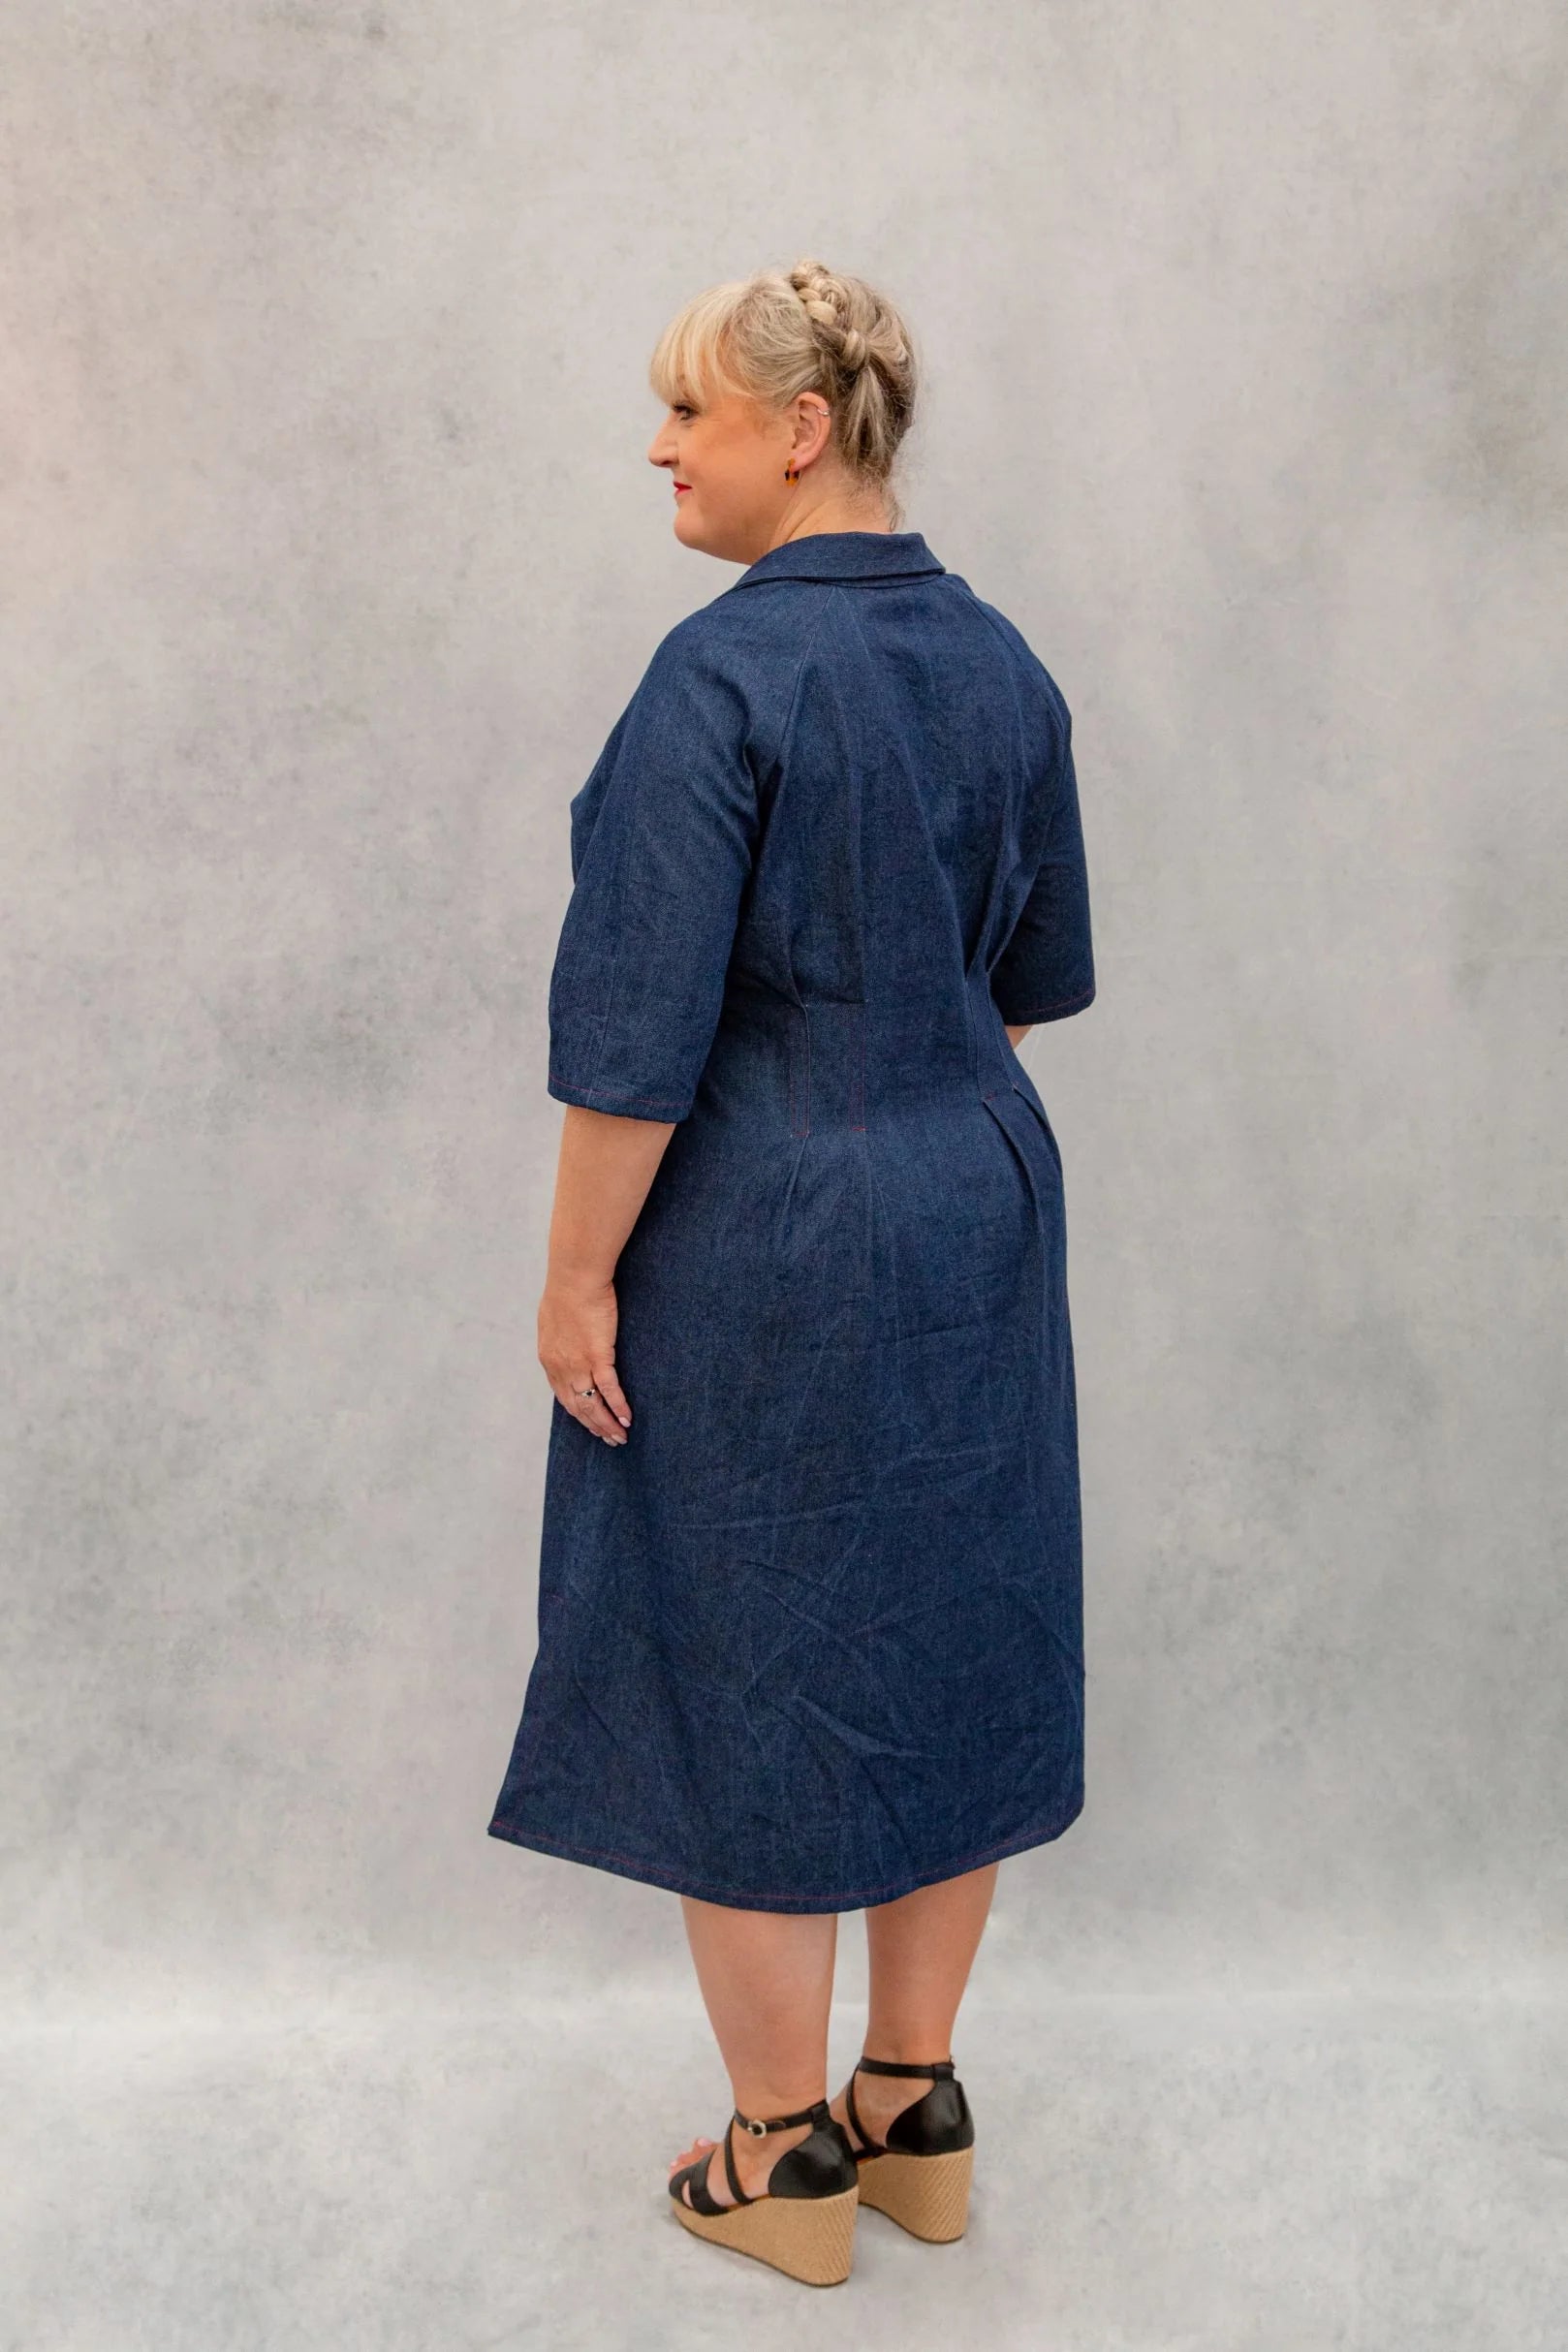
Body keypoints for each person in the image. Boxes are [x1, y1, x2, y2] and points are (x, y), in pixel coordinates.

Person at [486, 257, 1097, 2287]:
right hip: (973, 1197)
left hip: (764, 1227)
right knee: (950, 1640)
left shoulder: (716, 679)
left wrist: (576, 1281)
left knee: (740, 1650)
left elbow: (633, 1043)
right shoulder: (1002, 664)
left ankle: (779, 2154)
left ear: (801, 430)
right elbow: (1024, 988)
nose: (659, 448)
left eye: (690, 412)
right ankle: (911, 2101)